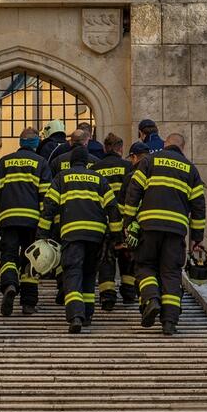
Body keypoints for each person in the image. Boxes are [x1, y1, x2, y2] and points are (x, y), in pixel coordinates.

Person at [123, 133, 205, 336]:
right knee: (171, 273)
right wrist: (197, 237)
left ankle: (152, 299)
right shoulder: (190, 169)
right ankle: (169, 322)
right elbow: (198, 206)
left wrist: (129, 220)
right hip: (176, 230)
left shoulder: (149, 161)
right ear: (182, 147)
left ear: (165, 144)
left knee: (145, 265)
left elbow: (134, 190)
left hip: (149, 226)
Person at [37, 146, 122, 333]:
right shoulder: (99, 179)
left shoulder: (61, 178)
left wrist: (42, 234)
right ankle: (88, 314)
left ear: (71, 160)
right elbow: (112, 208)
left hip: (71, 233)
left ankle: (76, 315)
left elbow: (49, 207)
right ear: (88, 162)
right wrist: (116, 235)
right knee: (90, 273)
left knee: (73, 272)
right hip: (96, 235)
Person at [0, 127, 51, 316]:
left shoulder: (3, 162)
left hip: (7, 219)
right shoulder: (41, 163)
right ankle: (28, 303)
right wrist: (45, 225)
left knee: (8, 256)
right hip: (32, 221)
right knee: (31, 259)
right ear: (35, 144)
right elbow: (45, 197)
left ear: (20, 143)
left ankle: (9, 285)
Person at [91, 133, 133, 310]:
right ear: (121, 148)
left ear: (105, 148)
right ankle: (129, 293)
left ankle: (107, 296)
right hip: (125, 220)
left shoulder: (95, 169)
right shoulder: (128, 167)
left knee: (106, 259)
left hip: (103, 221)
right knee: (127, 256)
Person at [117, 142, 150, 304]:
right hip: (152, 226)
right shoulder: (156, 174)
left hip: (135, 227)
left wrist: (126, 226)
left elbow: (124, 204)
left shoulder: (131, 176)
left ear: (134, 157)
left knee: (137, 263)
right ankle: (146, 299)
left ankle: (136, 296)